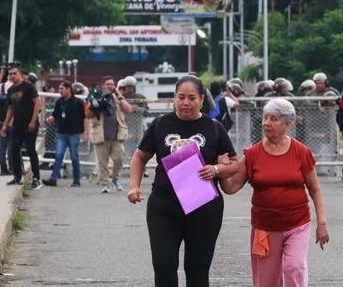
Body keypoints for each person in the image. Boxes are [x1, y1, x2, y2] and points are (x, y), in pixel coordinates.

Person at [127, 75, 239, 287]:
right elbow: (140, 156)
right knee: (164, 268)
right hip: (164, 207)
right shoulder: (160, 124)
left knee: (197, 270)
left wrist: (215, 169)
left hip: (204, 207)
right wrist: (134, 186)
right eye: (181, 97)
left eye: (192, 98)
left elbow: (234, 164)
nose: (186, 102)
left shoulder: (214, 128)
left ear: (201, 100)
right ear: (174, 98)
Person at [220, 99, 329, 287]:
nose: (266, 123)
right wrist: (221, 172)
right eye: (265, 118)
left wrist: (321, 223)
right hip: (265, 227)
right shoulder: (252, 154)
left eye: (274, 119)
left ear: (288, 123)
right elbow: (231, 187)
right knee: (267, 280)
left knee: (293, 267)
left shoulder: (301, 152)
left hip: (297, 223)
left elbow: (315, 189)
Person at [88, 76, 136, 193]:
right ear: (103, 85)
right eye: (108, 84)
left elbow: (128, 110)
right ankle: (105, 184)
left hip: (117, 135)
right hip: (101, 135)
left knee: (119, 158)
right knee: (102, 162)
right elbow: (88, 115)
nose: (110, 86)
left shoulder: (116, 98)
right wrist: (96, 107)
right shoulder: (96, 97)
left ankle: (115, 178)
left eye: (112, 84)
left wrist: (119, 95)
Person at [0, 65, 43, 189]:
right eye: (10, 74)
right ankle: (17, 177)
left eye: (14, 73)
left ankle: (36, 178)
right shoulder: (11, 90)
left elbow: (37, 104)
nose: (12, 76)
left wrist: (33, 121)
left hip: (30, 125)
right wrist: (5, 125)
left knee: (30, 150)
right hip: (16, 125)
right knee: (13, 150)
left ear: (19, 74)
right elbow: (11, 108)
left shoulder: (29, 87)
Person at [43, 81, 90, 187]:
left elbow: (85, 118)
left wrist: (85, 132)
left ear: (69, 89)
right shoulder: (59, 101)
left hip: (74, 133)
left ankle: (76, 180)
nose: (60, 91)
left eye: (62, 88)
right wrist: (51, 118)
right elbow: (55, 114)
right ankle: (53, 179)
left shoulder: (78, 102)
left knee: (74, 157)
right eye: (59, 89)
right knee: (59, 155)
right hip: (61, 133)